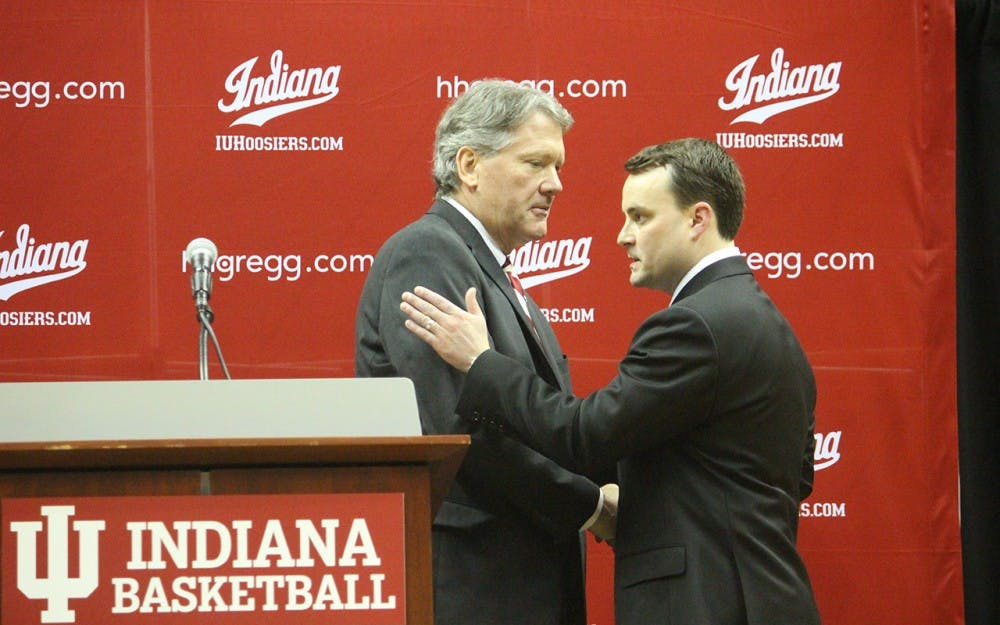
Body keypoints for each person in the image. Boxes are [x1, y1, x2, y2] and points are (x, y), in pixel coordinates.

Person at [400, 137, 822, 625]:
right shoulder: (763, 321)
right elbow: (795, 477)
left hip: (707, 604)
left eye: (640, 217)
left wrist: (481, 362)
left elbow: (586, 435)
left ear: (697, 220)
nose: (623, 236)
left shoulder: (694, 325)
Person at [354, 79, 615, 625]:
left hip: (518, 577)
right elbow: (457, 428)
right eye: (536, 163)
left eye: (559, 166)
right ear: (469, 165)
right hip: (476, 585)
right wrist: (588, 505)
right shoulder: (427, 252)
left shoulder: (486, 265)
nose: (556, 185)